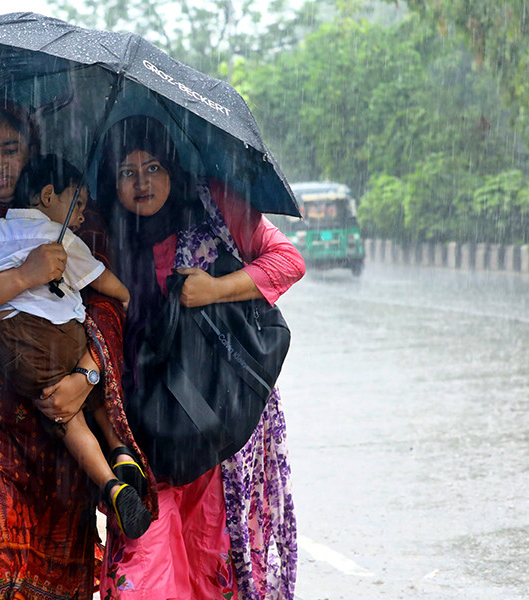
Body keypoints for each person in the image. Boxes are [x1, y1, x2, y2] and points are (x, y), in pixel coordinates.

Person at [0, 101, 143, 599]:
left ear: (31, 151)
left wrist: (84, 379)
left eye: (10, 150)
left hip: (58, 431)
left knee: (60, 573)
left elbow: (109, 309)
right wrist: (23, 275)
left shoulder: (76, 217)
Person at [89, 115, 305, 598]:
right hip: (147, 433)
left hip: (220, 424)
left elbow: (288, 262)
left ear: (174, 167)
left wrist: (213, 289)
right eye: (127, 172)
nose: (142, 182)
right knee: (146, 565)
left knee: (214, 559)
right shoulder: (103, 236)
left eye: (153, 167)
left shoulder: (215, 206)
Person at [0, 153, 151, 538]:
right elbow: (105, 283)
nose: (82, 216)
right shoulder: (61, 241)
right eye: (78, 204)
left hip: (11, 348)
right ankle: (119, 457)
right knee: (89, 397)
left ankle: (112, 483)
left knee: (69, 418)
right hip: (58, 337)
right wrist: (126, 298)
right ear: (49, 195)